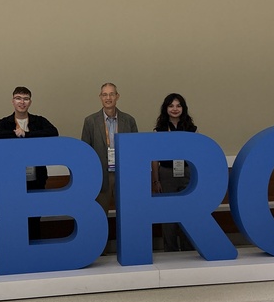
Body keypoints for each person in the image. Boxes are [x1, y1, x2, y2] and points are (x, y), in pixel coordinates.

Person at [0, 86, 59, 240]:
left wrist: (27, 134)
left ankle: (34, 249)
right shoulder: (5, 123)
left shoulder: (38, 121)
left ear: (30, 102)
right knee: (16, 215)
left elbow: (53, 132)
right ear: (12, 101)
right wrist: (16, 135)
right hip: (14, 179)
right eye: (18, 98)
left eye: (26, 98)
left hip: (36, 177)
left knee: (35, 215)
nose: (22, 102)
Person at [81, 82, 138, 214]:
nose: (108, 98)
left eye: (111, 94)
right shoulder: (90, 121)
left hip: (123, 175)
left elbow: (135, 151)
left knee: (126, 214)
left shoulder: (129, 120)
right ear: (100, 97)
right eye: (105, 94)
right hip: (101, 176)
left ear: (117, 96)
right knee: (100, 215)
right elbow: (86, 151)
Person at [151, 93, 197, 252]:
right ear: (166, 109)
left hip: (186, 173)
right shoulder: (160, 130)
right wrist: (156, 180)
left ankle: (188, 248)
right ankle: (170, 249)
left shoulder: (191, 129)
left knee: (188, 212)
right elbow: (154, 158)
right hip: (166, 174)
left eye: (178, 106)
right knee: (168, 213)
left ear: (183, 108)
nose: (175, 109)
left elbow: (196, 154)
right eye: (171, 106)